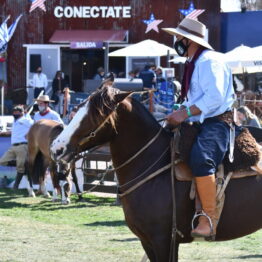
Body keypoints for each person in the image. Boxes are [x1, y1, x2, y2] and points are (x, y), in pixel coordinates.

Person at [163, 18, 235, 238]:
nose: (176, 41)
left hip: (218, 122)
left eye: (178, 38)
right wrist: (178, 112)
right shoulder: (195, 62)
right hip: (200, 121)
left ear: (188, 40)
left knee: (201, 157)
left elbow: (213, 98)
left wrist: (183, 113)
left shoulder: (209, 61)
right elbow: (196, 98)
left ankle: (208, 218)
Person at [0, 105, 33, 189]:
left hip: (23, 145)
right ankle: (20, 164)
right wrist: (3, 132)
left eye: (16, 112)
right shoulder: (15, 121)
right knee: (2, 161)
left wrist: (29, 134)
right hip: (13, 146)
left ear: (21, 113)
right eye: (14, 112)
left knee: (20, 168)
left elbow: (34, 126)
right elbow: (14, 132)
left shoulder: (26, 120)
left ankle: (16, 186)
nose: (14, 114)